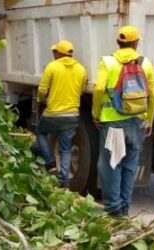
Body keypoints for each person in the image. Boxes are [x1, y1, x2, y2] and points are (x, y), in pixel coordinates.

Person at [92, 25, 154, 217]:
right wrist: (150, 119)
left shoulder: (108, 62)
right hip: (138, 123)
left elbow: (98, 90)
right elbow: (152, 94)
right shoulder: (145, 63)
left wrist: (96, 113)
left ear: (118, 42)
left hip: (114, 124)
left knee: (112, 164)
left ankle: (114, 209)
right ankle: (125, 207)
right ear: (136, 43)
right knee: (130, 165)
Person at [37, 40, 87, 188]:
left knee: (41, 132)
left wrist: (41, 100)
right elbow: (81, 90)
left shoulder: (52, 67)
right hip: (71, 115)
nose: (53, 54)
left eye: (54, 52)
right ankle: (63, 179)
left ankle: (50, 162)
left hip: (52, 114)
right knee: (65, 148)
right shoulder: (81, 69)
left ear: (59, 53)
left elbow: (42, 89)